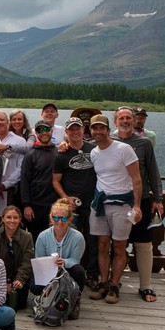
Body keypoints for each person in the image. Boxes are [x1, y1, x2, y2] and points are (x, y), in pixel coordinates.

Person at [87, 113, 142, 305]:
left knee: (119, 246)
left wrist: (137, 205)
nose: (98, 131)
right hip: (100, 204)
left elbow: (136, 178)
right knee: (102, 244)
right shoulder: (94, 153)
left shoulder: (124, 149)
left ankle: (115, 284)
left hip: (122, 204)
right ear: (91, 131)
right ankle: (103, 282)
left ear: (108, 130)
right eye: (95, 128)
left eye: (102, 128)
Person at [113, 106, 164, 304]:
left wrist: (158, 199)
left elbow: (153, 172)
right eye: (121, 118)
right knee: (116, 245)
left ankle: (145, 285)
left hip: (140, 201)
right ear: (115, 122)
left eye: (128, 118)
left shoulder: (144, 143)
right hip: (116, 202)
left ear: (134, 121)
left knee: (143, 244)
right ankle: (113, 283)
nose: (125, 121)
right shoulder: (108, 141)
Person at [52, 116, 98, 280]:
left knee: (93, 241)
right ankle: (69, 274)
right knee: (69, 241)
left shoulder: (94, 150)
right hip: (72, 207)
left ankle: (92, 275)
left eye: (77, 128)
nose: (75, 132)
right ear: (66, 132)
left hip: (93, 204)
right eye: (71, 129)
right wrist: (66, 198)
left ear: (83, 130)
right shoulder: (61, 155)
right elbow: (55, 181)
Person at [34, 198, 87, 291]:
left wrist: (64, 262)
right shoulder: (43, 236)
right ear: (51, 218)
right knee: (34, 287)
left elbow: (75, 260)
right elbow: (39, 259)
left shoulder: (78, 237)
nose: (59, 221)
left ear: (70, 219)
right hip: (48, 269)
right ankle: (46, 294)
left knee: (79, 271)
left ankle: (76, 295)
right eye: (56, 217)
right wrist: (50, 263)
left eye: (64, 218)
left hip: (68, 269)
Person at [20, 119, 59, 239]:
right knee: (36, 238)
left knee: (54, 237)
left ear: (51, 131)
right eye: (40, 130)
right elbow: (24, 181)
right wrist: (26, 205)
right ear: (36, 133)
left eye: (46, 129)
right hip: (35, 205)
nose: (43, 133)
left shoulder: (59, 153)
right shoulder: (30, 155)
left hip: (55, 204)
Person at [0, 205, 33, 310]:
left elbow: (27, 262)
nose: (12, 221)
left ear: (20, 219)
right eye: (8, 217)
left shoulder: (27, 237)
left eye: (15, 218)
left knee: (19, 304)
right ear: (3, 219)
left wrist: (19, 280)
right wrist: (3, 283)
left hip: (17, 277)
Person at [0, 110, 28, 214]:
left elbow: (21, 167)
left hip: (10, 189)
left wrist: (5, 184)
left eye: (2, 120)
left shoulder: (19, 141)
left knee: (7, 218)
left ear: (8, 122)